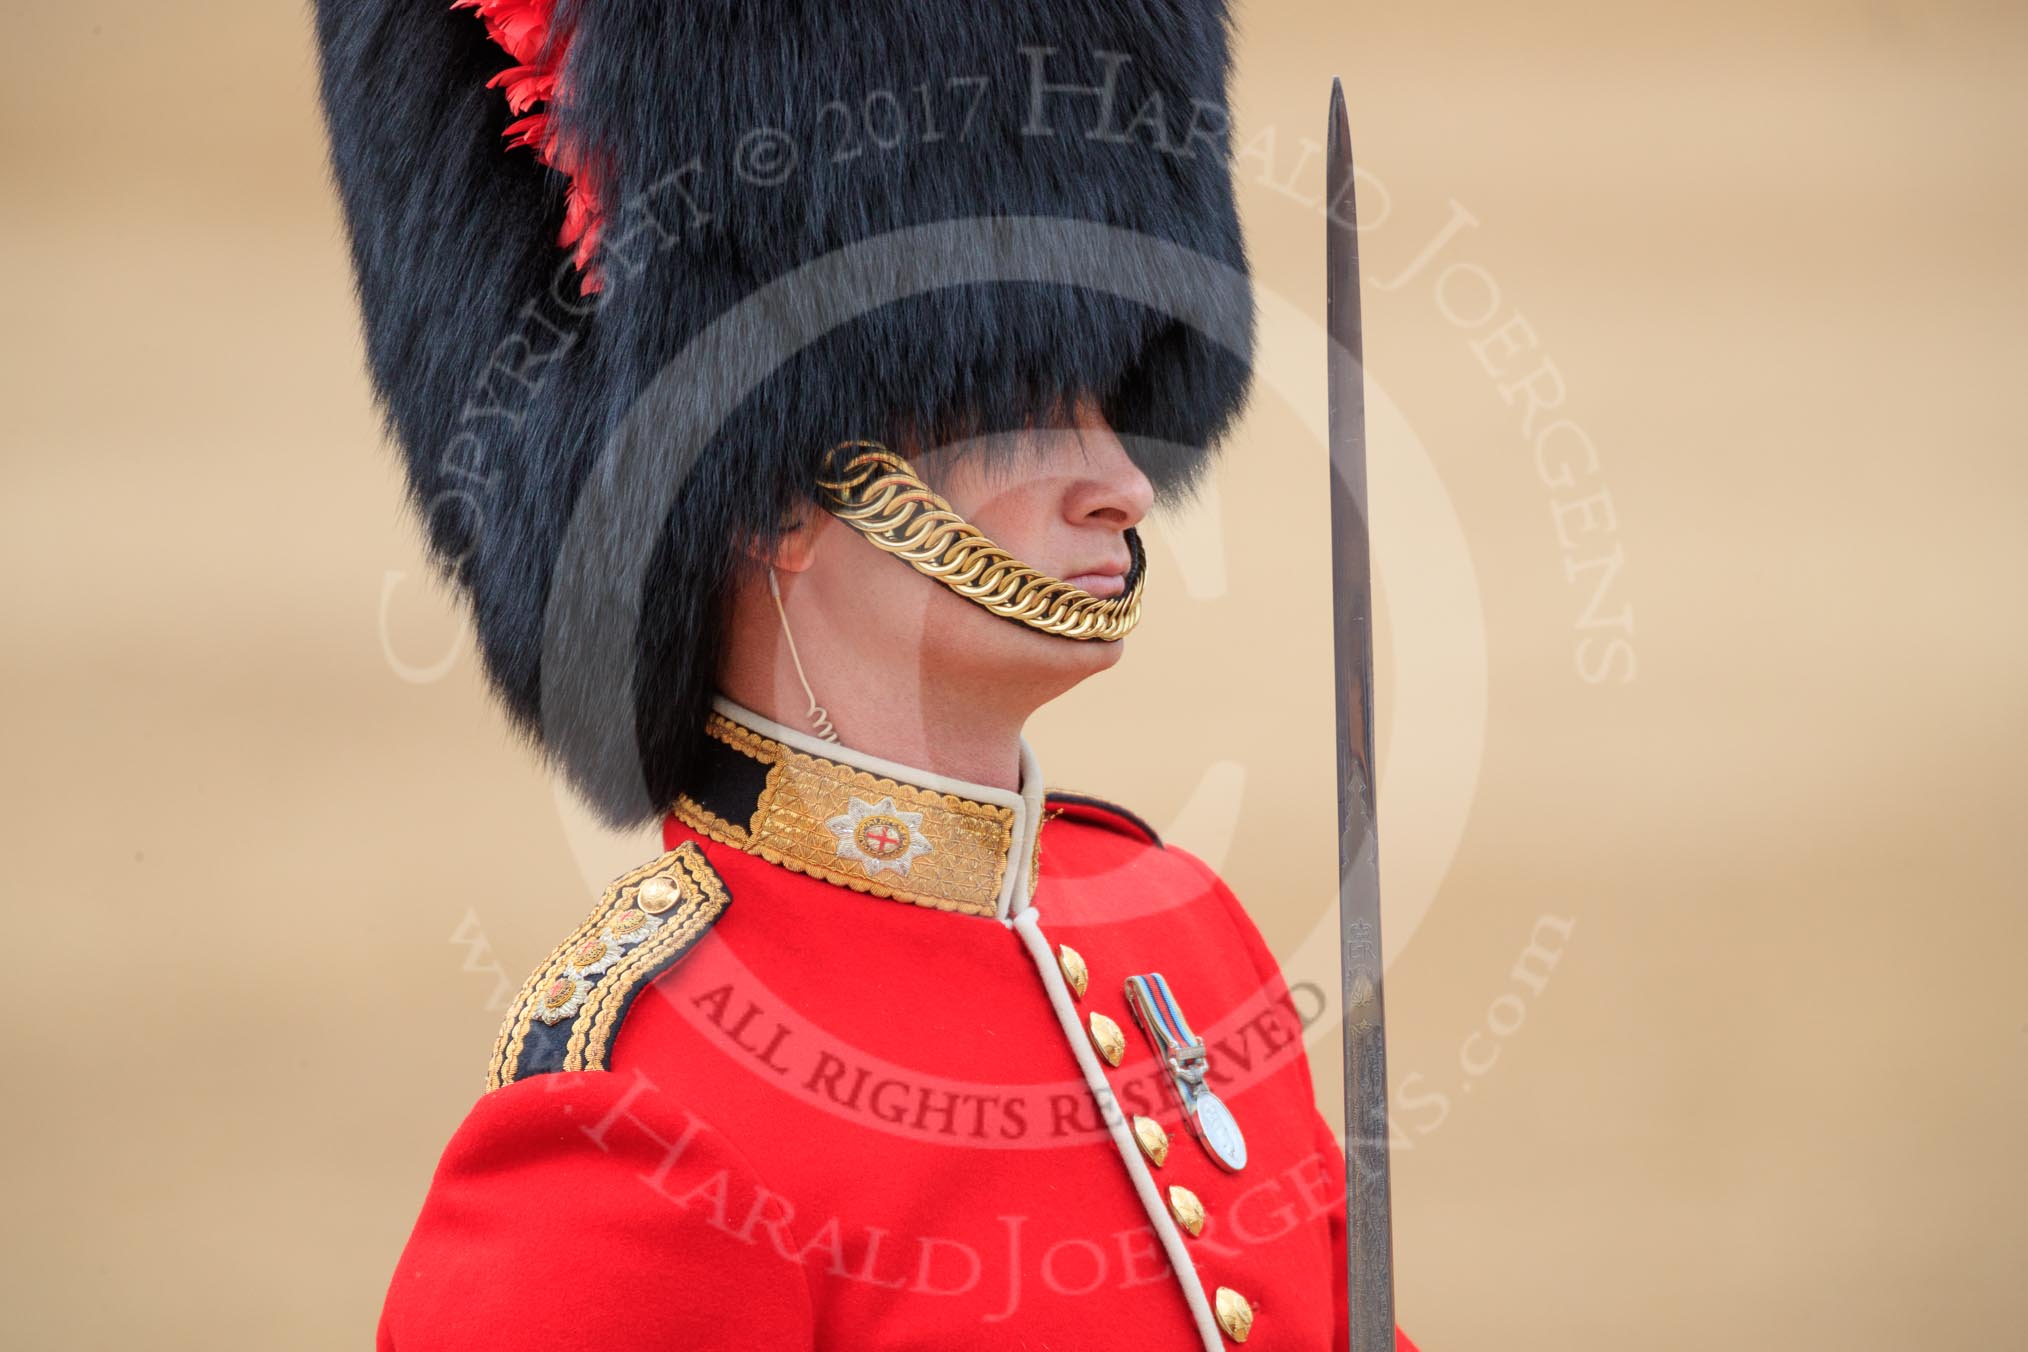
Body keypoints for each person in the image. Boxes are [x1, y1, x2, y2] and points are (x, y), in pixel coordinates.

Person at [315, 1, 1416, 1347]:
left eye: (1109, 394)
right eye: (1023, 406)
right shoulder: (652, 1113)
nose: (1128, 482)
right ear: (780, 495)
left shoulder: (1184, 931)